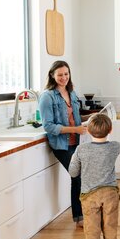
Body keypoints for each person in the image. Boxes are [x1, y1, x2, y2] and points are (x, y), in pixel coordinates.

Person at [69, 113, 120, 239]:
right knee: (110, 229)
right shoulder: (115, 146)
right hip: (111, 194)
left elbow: (73, 172)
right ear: (110, 130)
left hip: (89, 196)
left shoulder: (81, 149)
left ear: (89, 131)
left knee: (92, 234)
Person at [39, 60, 87, 228]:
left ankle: (82, 214)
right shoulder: (47, 96)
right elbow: (49, 126)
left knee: (80, 176)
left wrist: (91, 121)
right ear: (52, 75)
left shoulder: (72, 93)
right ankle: (80, 217)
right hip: (60, 144)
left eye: (66, 74)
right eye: (60, 75)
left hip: (75, 141)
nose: (64, 77)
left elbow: (76, 118)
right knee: (78, 174)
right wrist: (75, 128)